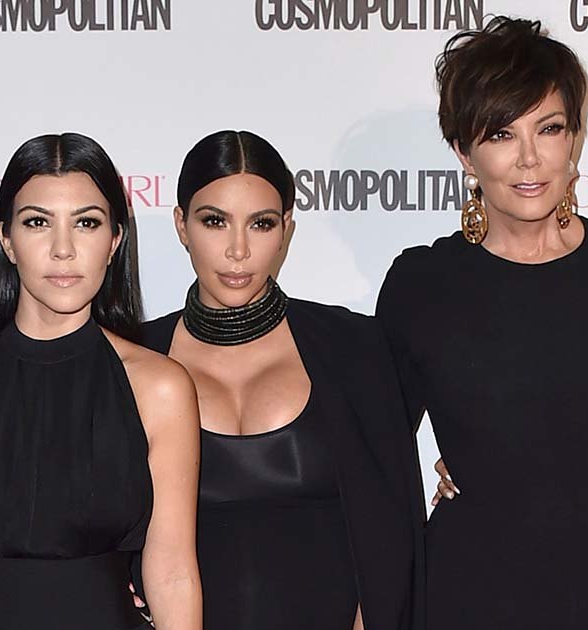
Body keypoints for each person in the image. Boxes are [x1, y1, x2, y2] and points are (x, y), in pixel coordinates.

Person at [0, 132, 203, 630]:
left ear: (114, 241)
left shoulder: (159, 388)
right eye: (38, 222)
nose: (63, 249)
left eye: (86, 223)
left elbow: (172, 574)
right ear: (7, 240)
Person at [377, 16, 588, 629]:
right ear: (464, 152)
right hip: (472, 591)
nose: (530, 158)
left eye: (550, 128)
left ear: (575, 138)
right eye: (502, 134)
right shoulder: (422, 286)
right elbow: (373, 457)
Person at [138, 130, 424, 630]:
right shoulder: (133, 360)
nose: (238, 250)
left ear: (287, 228)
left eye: (261, 223)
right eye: (214, 221)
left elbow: (391, 533)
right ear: (182, 224)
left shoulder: (353, 347)